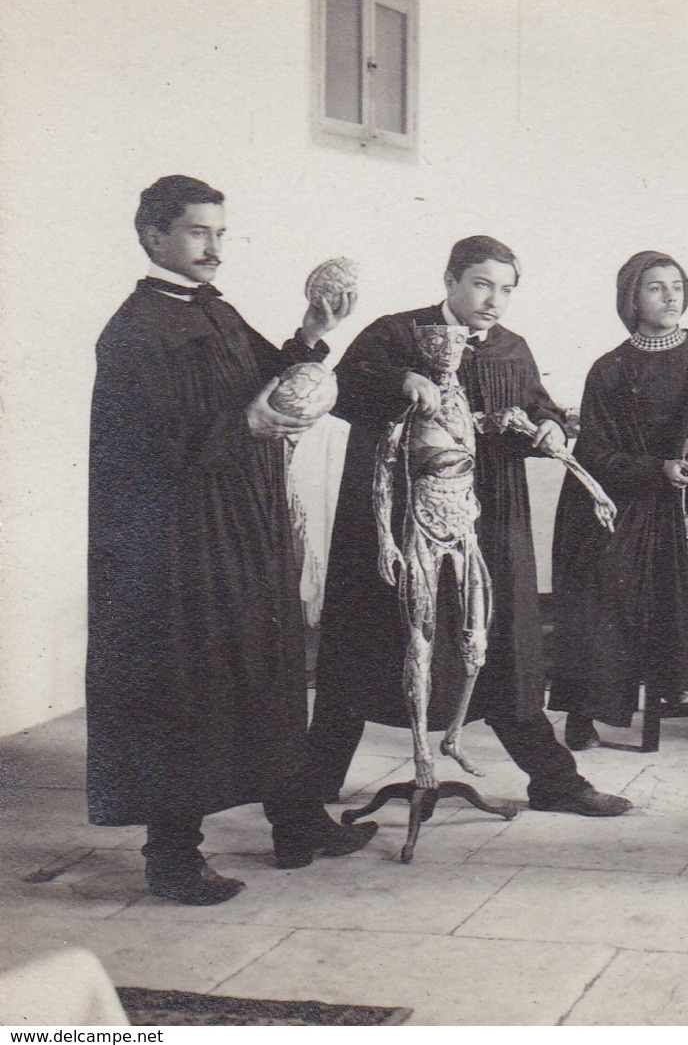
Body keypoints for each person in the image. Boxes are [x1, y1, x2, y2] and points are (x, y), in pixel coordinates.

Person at [88, 174, 374, 906]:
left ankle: (296, 821)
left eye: (220, 232)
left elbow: (269, 377)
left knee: (271, 666)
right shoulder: (135, 329)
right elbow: (143, 446)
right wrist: (240, 425)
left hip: (244, 523)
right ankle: (173, 858)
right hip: (180, 543)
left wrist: (312, 331)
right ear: (153, 236)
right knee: (184, 687)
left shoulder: (213, 310)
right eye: (195, 232)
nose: (213, 246)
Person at [309, 236, 629, 816]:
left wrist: (550, 425)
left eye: (506, 289)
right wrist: (398, 383)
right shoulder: (394, 334)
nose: (494, 300)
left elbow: (537, 406)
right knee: (369, 643)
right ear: (451, 280)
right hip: (400, 520)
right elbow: (340, 392)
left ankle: (554, 780)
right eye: (482, 284)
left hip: (491, 523)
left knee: (500, 647)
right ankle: (310, 789)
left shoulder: (511, 348)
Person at [549, 251, 688, 750]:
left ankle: (672, 698)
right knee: (606, 583)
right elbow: (596, 453)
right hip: (615, 499)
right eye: (656, 287)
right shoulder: (609, 369)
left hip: (683, 499)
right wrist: (658, 470)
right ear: (632, 297)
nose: (671, 296)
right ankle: (584, 710)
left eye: (677, 285)